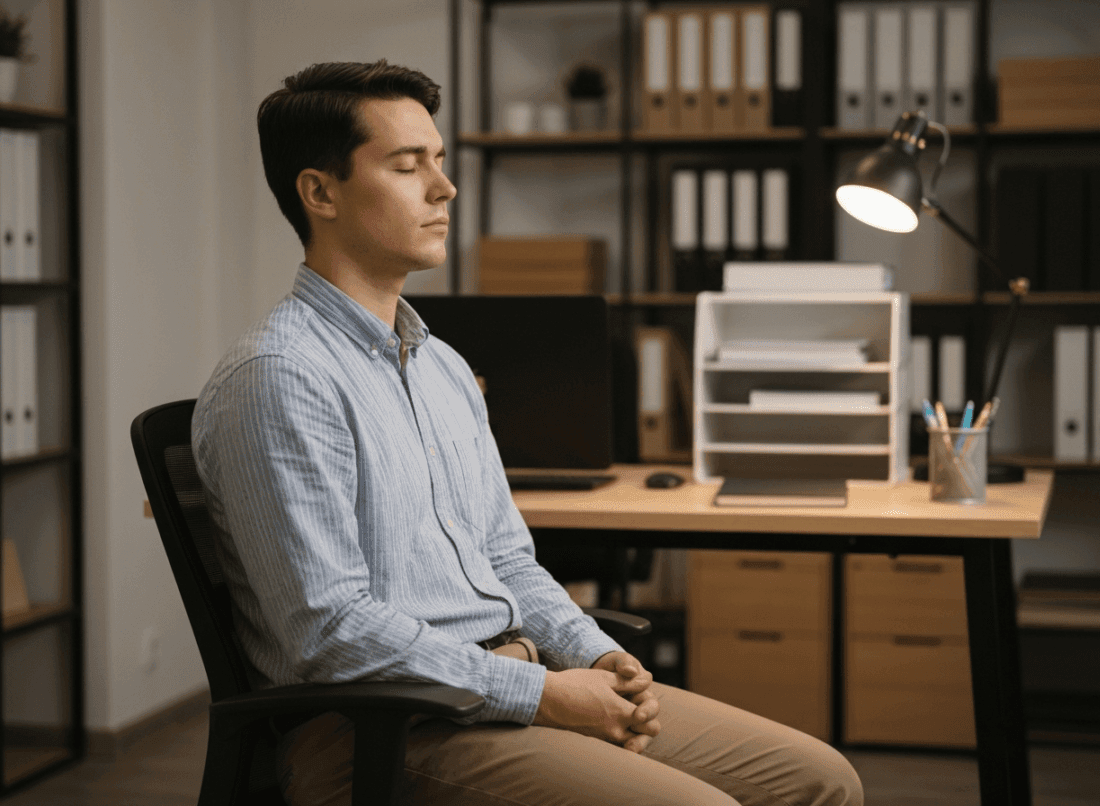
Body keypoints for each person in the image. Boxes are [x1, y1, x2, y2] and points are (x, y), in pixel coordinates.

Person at [191, 58, 864, 806]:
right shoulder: (281, 377)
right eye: (408, 167)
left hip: (503, 684)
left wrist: (597, 657)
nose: (444, 188)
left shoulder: (441, 365)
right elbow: (330, 629)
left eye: (439, 161)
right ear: (319, 192)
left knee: (820, 781)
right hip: (380, 727)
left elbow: (506, 558)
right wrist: (541, 693)